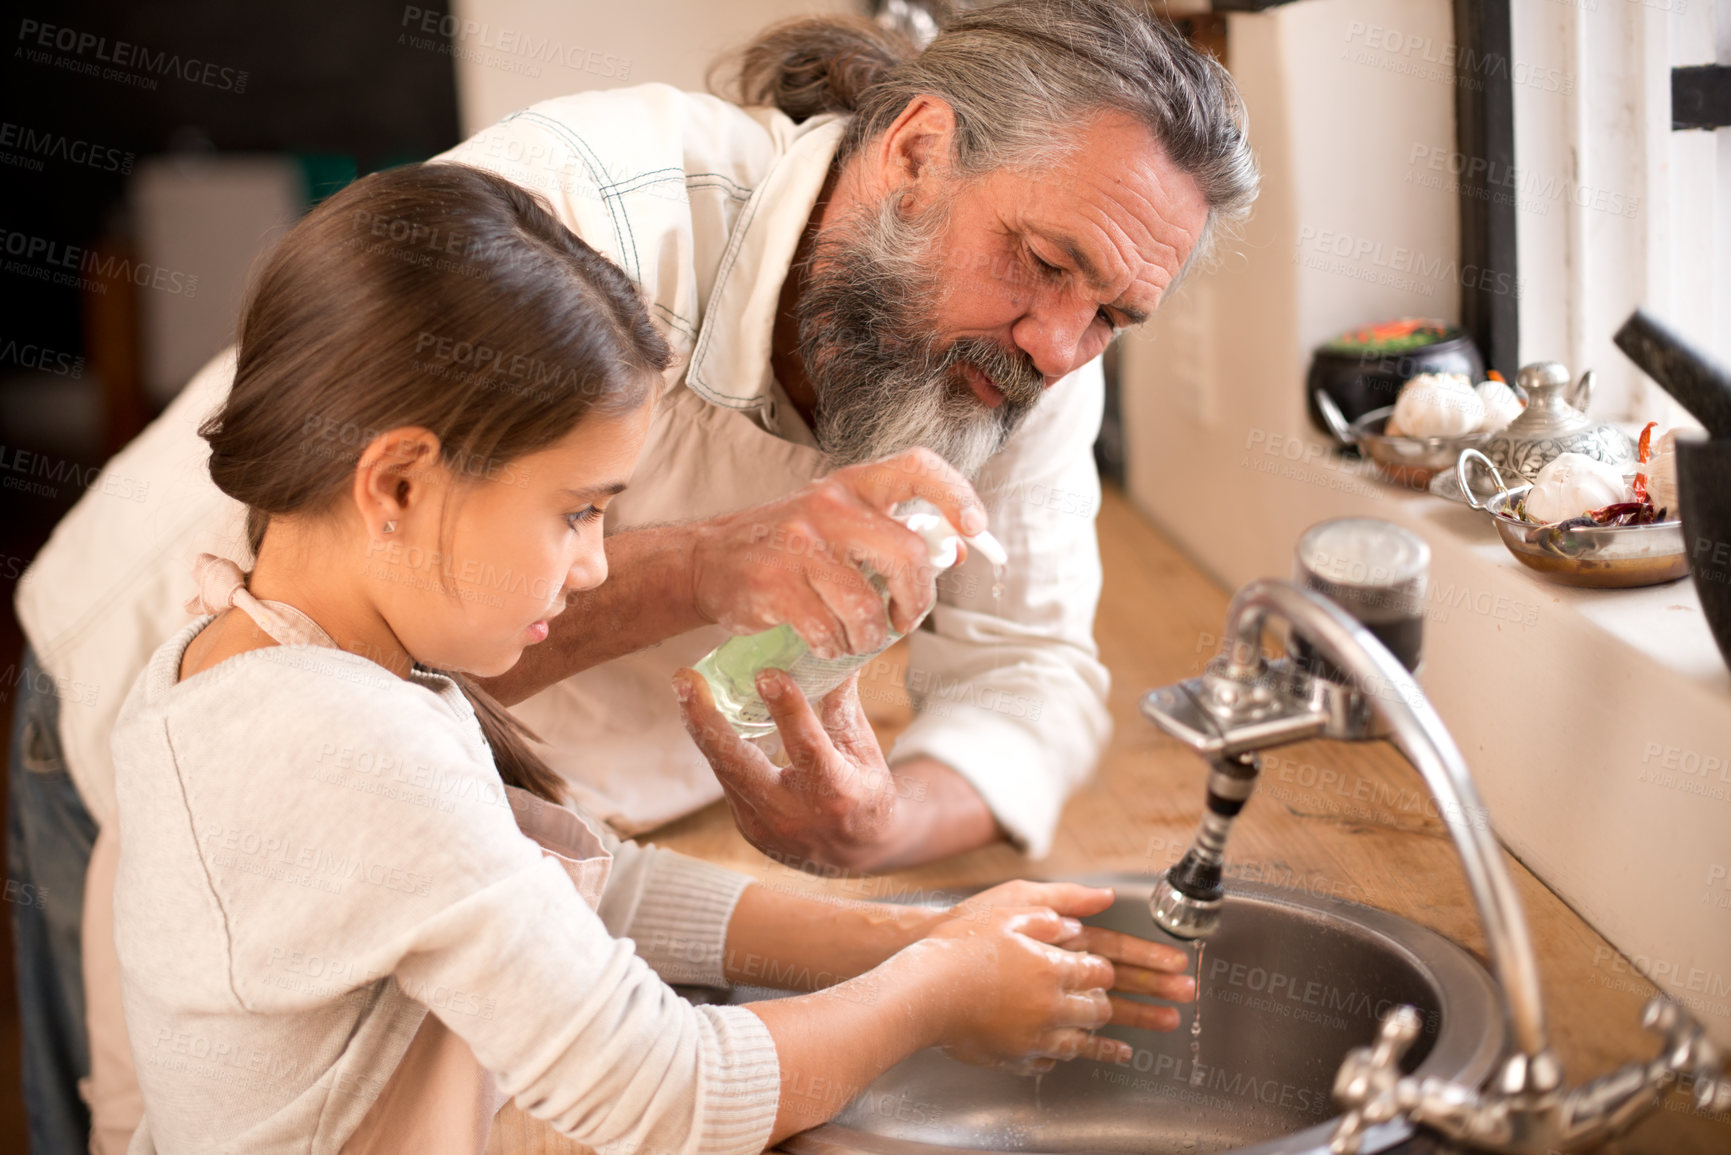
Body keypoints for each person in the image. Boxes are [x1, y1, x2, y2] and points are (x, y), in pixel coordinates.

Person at [10, 2, 1255, 1145]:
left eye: (1112, 316)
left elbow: (566, 877)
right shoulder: (579, 222)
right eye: (1043, 261)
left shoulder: (397, 717)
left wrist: (887, 857)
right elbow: (662, 1087)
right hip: (121, 735)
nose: (1060, 344)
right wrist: (926, 987)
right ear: (919, 153)